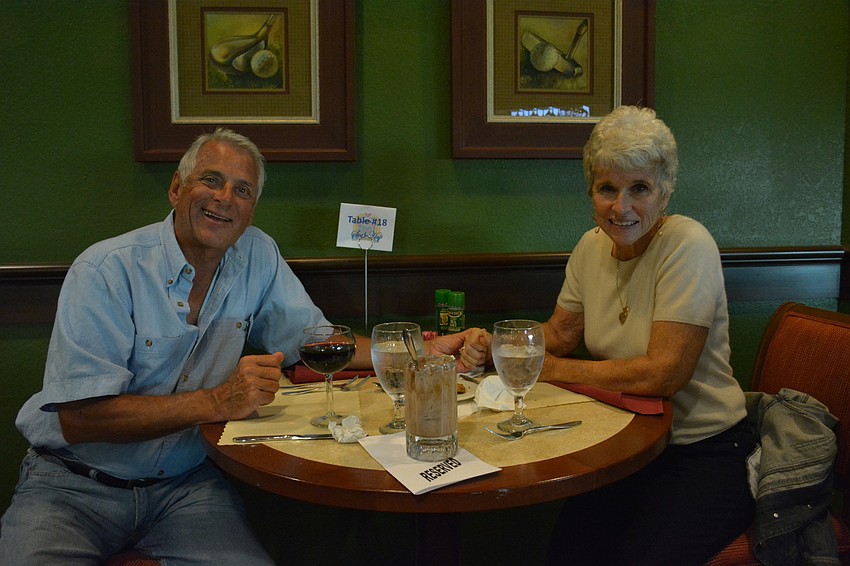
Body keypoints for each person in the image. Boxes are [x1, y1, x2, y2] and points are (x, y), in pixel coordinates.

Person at [0, 128, 489, 565]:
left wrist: (423, 351)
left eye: (242, 190)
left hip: (185, 487)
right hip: (72, 485)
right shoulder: (106, 270)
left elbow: (315, 341)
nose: (224, 198)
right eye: (211, 180)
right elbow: (80, 419)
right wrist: (217, 401)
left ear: (252, 208)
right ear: (176, 188)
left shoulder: (257, 253)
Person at [542, 106, 755, 565]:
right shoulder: (590, 246)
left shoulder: (688, 243)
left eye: (639, 188)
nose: (621, 207)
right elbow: (559, 334)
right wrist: (496, 344)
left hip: (701, 452)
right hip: (623, 446)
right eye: (608, 189)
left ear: (665, 192)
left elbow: (664, 374)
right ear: (591, 192)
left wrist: (553, 370)